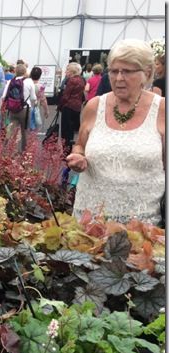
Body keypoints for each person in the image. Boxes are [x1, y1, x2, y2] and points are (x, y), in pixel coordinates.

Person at [67, 39, 165, 225]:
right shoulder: (95, 106)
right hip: (90, 222)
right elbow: (80, 145)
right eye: (113, 71)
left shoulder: (161, 110)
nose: (118, 78)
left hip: (142, 227)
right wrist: (78, 157)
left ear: (147, 73)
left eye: (127, 71)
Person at [0, 62, 37, 152]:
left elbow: (3, 96)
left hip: (13, 109)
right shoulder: (29, 82)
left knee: (10, 130)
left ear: (15, 71)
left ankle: (5, 149)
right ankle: (23, 152)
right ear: (25, 72)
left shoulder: (10, 82)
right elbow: (33, 98)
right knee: (24, 132)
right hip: (25, 110)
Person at [58, 62, 85, 153]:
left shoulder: (71, 80)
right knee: (71, 130)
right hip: (77, 107)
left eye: (67, 70)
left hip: (68, 107)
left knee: (65, 131)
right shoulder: (82, 80)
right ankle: (69, 148)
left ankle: (65, 150)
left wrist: (60, 106)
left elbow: (66, 95)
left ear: (72, 71)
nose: (66, 72)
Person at [29, 66, 49, 131]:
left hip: (23, 107)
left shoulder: (26, 83)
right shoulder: (40, 87)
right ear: (40, 76)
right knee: (33, 128)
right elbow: (43, 100)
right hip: (34, 108)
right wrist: (46, 111)